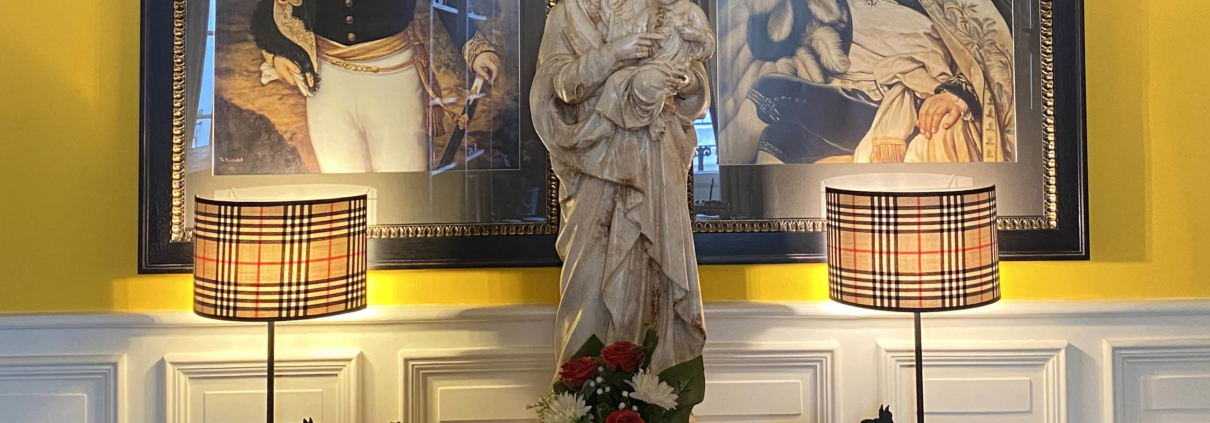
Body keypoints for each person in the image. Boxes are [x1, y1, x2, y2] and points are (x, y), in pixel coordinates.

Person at [531, 0, 713, 374]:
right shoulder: (568, 14)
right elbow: (559, 86)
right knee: (590, 281)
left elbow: (695, 91)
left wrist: (686, 82)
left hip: (654, 162)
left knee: (654, 277)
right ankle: (581, 392)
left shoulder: (665, 8)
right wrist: (615, 53)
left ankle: (653, 389)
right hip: (593, 164)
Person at [717, 0, 1015, 164]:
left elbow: (992, 58)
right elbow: (769, 43)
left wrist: (955, 94)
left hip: (910, 106)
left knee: (770, 93)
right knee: (778, 139)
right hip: (863, 96)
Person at [251, 0, 503, 173]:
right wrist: (276, 50)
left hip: (394, 74)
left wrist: (473, 46)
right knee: (340, 182)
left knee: (402, 177)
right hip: (326, 77)